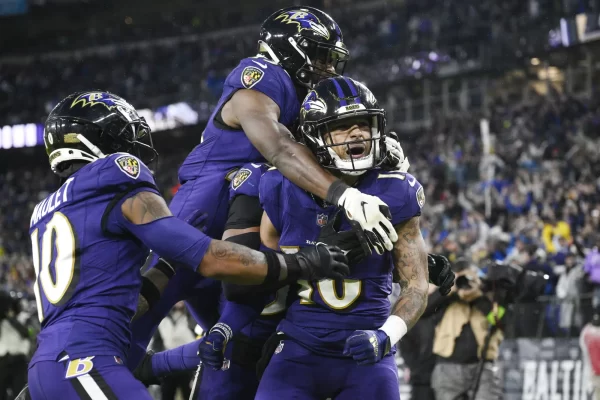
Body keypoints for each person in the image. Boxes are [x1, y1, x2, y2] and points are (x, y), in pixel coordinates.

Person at [128, 5, 408, 370]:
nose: (327, 68)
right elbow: (278, 148)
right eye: (321, 57)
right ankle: (66, 377)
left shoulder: (306, 102)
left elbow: (310, 166)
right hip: (207, 207)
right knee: (136, 316)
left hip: (253, 224)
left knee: (240, 348)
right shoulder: (261, 75)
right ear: (291, 47)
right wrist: (345, 195)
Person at [26, 91, 350, 400]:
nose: (133, 145)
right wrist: (301, 263)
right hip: (85, 361)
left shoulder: (48, 210)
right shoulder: (115, 173)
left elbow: (130, 302)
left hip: (53, 362)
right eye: (120, 134)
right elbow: (211, 259)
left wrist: (169, 266)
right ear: (96, 140)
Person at [249, 76, 430, 399]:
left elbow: (415, 286)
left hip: (368, 353)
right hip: (299, 348)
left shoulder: (397, 190)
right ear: (315, 135)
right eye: (344, 126)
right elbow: (269, 259)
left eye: (363, 124)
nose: (358, 133)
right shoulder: (281, 187)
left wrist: (386, 336)